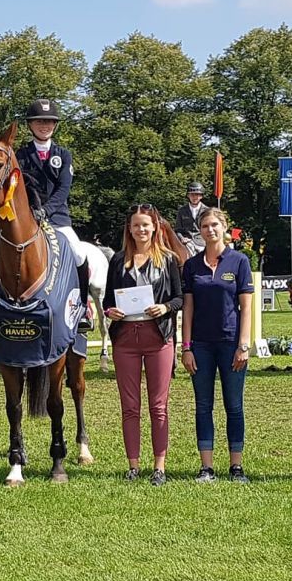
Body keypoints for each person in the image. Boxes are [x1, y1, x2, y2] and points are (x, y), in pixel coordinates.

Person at [0, 98, 92, 332]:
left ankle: (82, 308)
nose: (44, 125)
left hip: (57, 219)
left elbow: (63, 190)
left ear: (55, 125)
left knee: (78, 253)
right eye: (39, 121)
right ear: (30, 125)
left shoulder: (63, 155)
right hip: (25, 219)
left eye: (49, 121)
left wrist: (46, 210)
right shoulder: (20, 156)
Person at [103, 203, 183, 486]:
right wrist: (109, 312)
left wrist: (165, 308)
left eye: (145, 225)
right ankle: (133, 466)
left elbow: (179, 298)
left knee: (158, 406)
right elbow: (107, 302)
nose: (141, 230)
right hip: (125, 340)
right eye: (136, 225)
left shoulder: (169, 259)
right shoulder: (118, 260)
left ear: (155, 227)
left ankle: (159, 467)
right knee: (130, 406)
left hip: (158, 338)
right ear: (130, 228)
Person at [181, 207, 254, 483]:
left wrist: (243, 345)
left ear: (224, 227)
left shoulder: (239, 261)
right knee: (203, 406)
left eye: (214, 225)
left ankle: (236, 466)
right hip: (200, 345)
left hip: (231, 344)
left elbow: (246, 308)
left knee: (234, 406)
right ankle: (207, 467)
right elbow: (187, 308)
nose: (209, 230)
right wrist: (186, 346)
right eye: (204, 226)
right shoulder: (192, 265)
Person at [175, 181, 208, 253]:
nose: (194, 197)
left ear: (201, 196)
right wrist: (182, 238)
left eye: (197, 195)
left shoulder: (207, 211)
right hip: (186, 242)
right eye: (192, 195)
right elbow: (178, 229)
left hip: (202, 242)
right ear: (188, 195)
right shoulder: (182, 210)